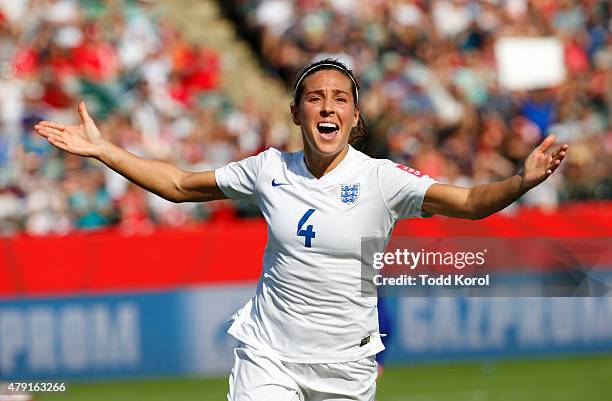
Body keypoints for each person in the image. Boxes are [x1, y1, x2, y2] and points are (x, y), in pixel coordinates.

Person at [34, 59, 568, 401]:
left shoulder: (383, 179)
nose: (328, 106)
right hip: (269, 355)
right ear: (296, 112)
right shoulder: (269, 168)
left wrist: (521, 180)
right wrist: (104, 150)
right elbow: (178, 184)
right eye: (316, 97)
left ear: (355, 117)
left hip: (346, 367)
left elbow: (472, 202)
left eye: (340, 97)